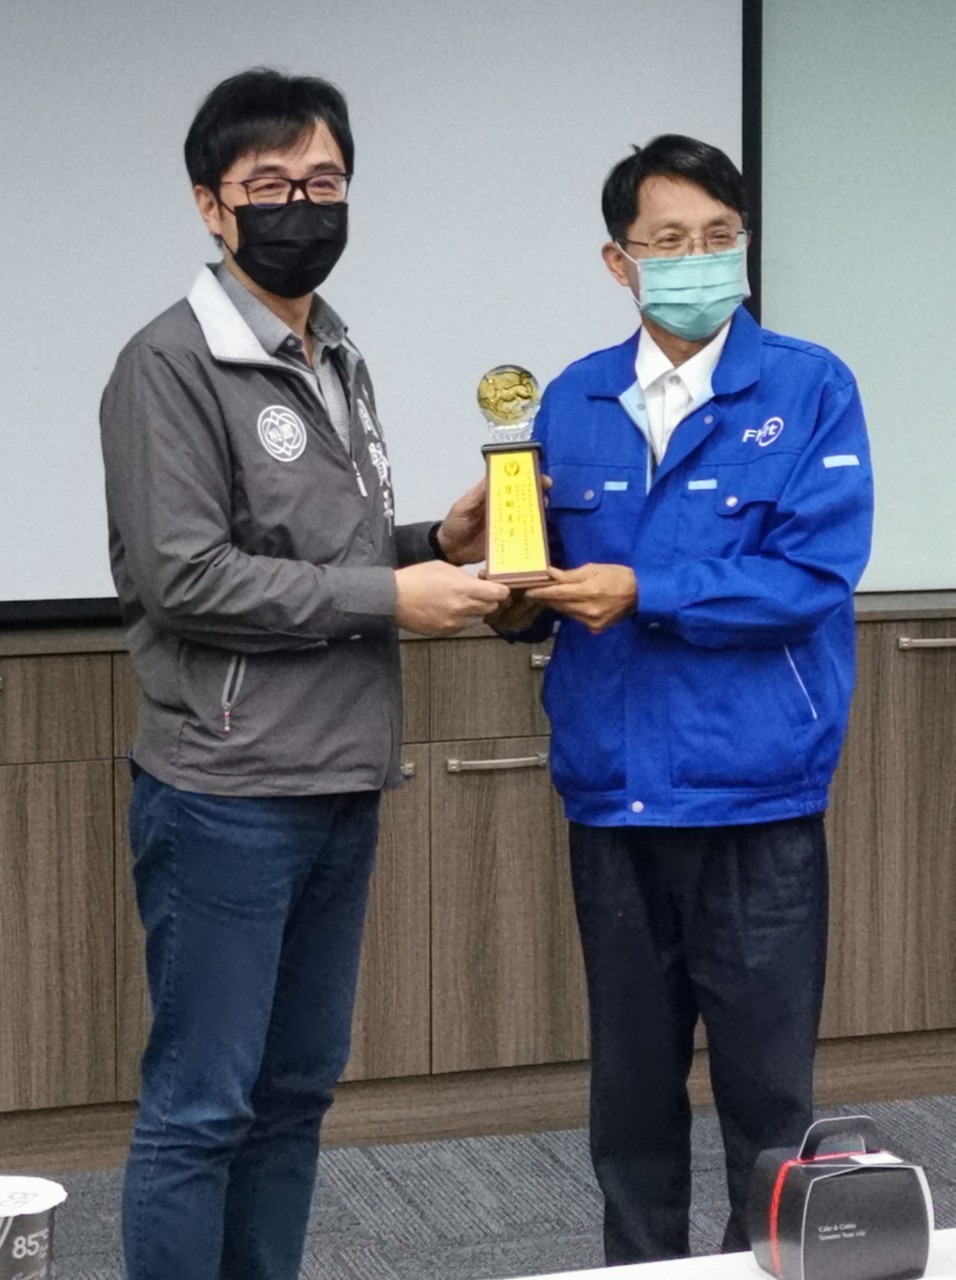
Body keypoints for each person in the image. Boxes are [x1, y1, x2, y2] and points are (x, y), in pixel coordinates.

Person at [99, 68, 507, 1280]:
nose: (301, 205)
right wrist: (394, 595)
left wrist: (433, 542)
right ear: (209, 205)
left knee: (292, 1094)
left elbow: (318, 549)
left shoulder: (334, 351)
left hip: (339, 777)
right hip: (228, 789)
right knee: (201, 1103)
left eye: (323, 181)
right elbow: (187, 577)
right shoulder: (169, 363)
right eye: (268, 184)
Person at [496, 134, 873, 1263]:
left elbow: (810, 580)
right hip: (615, 797)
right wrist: (500, 583)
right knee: (630, 1104)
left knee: (769, 1104)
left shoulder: (809, 385)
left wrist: (644, 589)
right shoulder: (572, 397)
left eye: (718, 236)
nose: (698, 258)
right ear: (619, 262)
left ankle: (775, 1266)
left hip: (755, 798)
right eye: (669, 241)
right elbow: (540, 591)